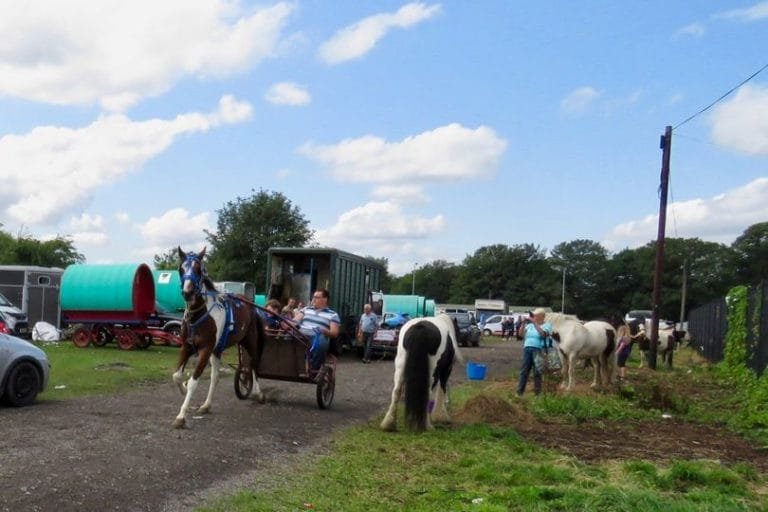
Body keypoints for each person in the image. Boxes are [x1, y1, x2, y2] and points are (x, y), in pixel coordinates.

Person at [293, 289, 340, 373]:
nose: (313, 299)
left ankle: (314, 369)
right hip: (301, 334)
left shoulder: (333, 314)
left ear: (325, 299)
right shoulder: (306, 309)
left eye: (317, 297)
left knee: (321, 342)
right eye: (313, 297)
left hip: (317, 336)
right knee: (287, 335)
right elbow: (294, 321)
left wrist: (324, 331)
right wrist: (287, 323)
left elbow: (334, 333)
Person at [516, 308, 553, 396]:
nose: (533, 317)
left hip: (539, 350)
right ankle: (519, 392)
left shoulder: (547, 325)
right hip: (527, 349)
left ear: (541, 317)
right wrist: (523, 323)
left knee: (537, 372)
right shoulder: (529, 326)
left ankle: (537, 393)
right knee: (524, 371)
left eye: (535, 315)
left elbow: (543, 334)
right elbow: (520, 335)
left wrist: (534, 323)